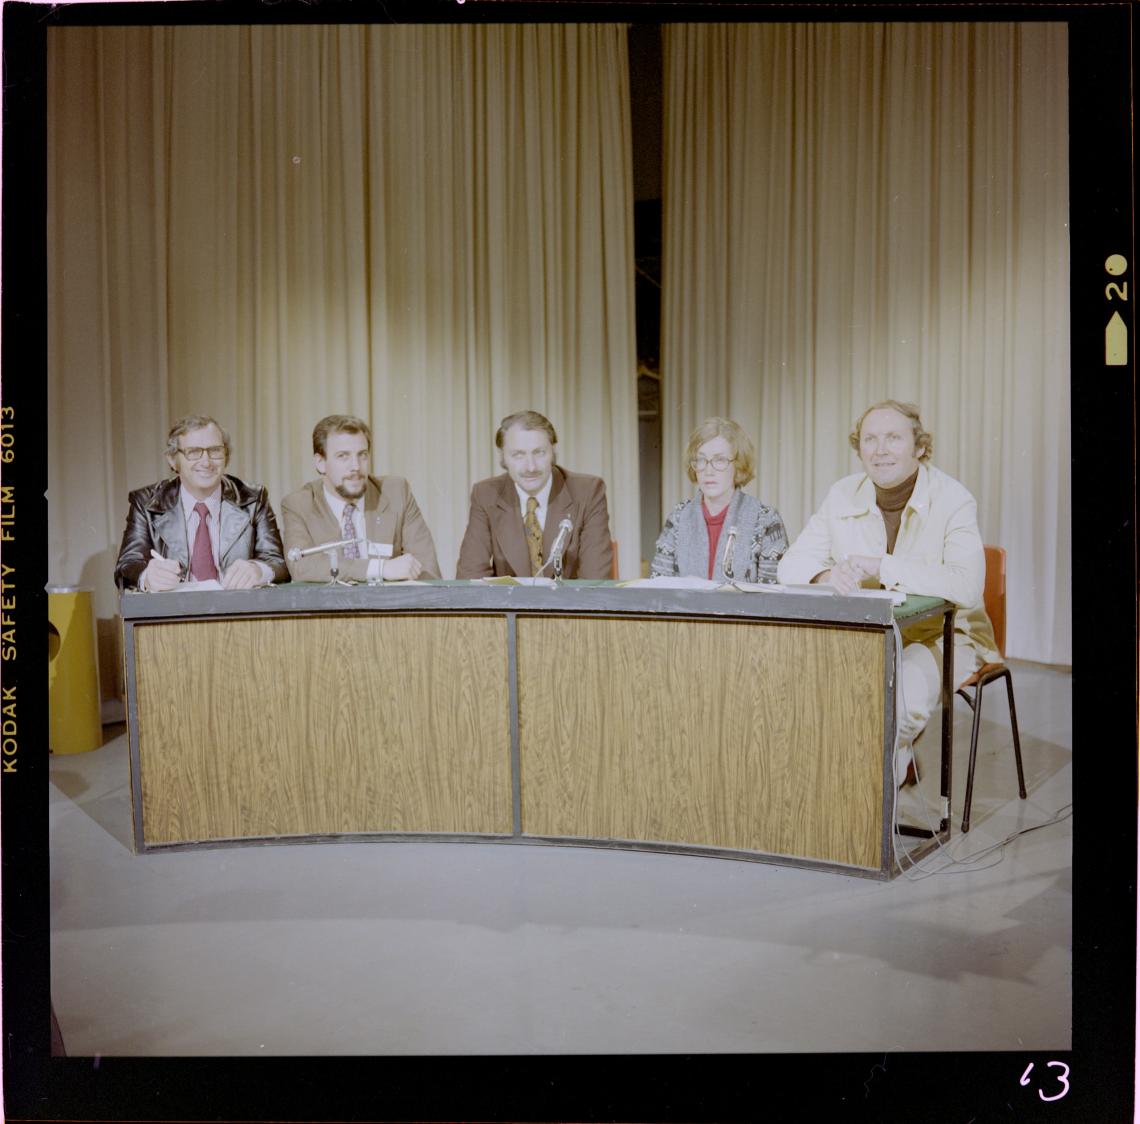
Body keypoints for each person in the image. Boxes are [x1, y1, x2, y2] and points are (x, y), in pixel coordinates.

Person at [777, 400, 998, 786]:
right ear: (859, 448)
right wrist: (826, 574)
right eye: (870, 440)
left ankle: (867, 831)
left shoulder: (954, 498)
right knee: (804, 697)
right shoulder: (842, 494)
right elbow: (788, 566)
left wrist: (884, 565)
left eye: (893, 438)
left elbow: (966, 585)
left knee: (894, 707)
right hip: (872, 638)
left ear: (920, 447)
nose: (880, 450)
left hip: (948, 636)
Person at [114, 415, 288, 591]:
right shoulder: (146, 503)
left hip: (237, 610)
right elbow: (127, 565)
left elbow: (277, 562)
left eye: (215, 451)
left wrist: (259, 570)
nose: (206, 462)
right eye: (194, 452)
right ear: (173, 460)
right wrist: (147, 576)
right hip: (173, 613)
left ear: (226, 456)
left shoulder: (253, 499)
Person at [456, 410, 613, 580]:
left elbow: (594, 582)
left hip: (570, 606)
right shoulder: (486, 495)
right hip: (507, 606)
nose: (530, 467)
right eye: (518, 455)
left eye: (539, 452)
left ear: (553, 451)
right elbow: (470, 578)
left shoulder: (588, 492)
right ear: (503, 458)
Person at [281, 414, 440, 582]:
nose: (356, 466)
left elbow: (427, 570)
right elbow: (301, 566)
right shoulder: (299, 504)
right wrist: (379, 568)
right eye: (343, 456)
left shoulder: (396, 492)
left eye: (362, 455)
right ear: (321, 463)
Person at [650, 417, 788, 584]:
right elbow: (658, 587)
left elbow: (772, 598)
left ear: (738, 464)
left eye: (720, 460)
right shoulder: (678, 517)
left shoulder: (766, 520)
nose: (709, 470)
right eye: (701, 460)